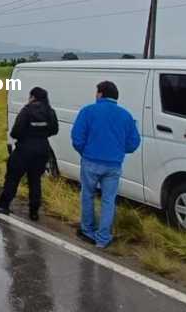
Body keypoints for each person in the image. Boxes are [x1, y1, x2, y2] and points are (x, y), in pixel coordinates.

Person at [71, 81, 140, 249]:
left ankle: (88, 231)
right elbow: (134, 143)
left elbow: (77, 138)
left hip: (90, 161)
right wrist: (119, 151)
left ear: (101, 94)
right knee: (108, 200)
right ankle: (103, 238)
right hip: (114, 164)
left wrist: (85, 152)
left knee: (88, 195)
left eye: (96, 92)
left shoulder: (88, 111)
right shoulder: (126, 115)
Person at [0, 87, 58, 221]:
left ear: (33, 97)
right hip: (42, 149)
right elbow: (54, 130)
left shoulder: (26, 110)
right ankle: (34, 212)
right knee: (35, 180)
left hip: (24, 149)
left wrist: (27, 136)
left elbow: (15, 132)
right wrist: (41, 134)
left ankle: (3, 205)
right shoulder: (50, 112)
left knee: (12, 178)